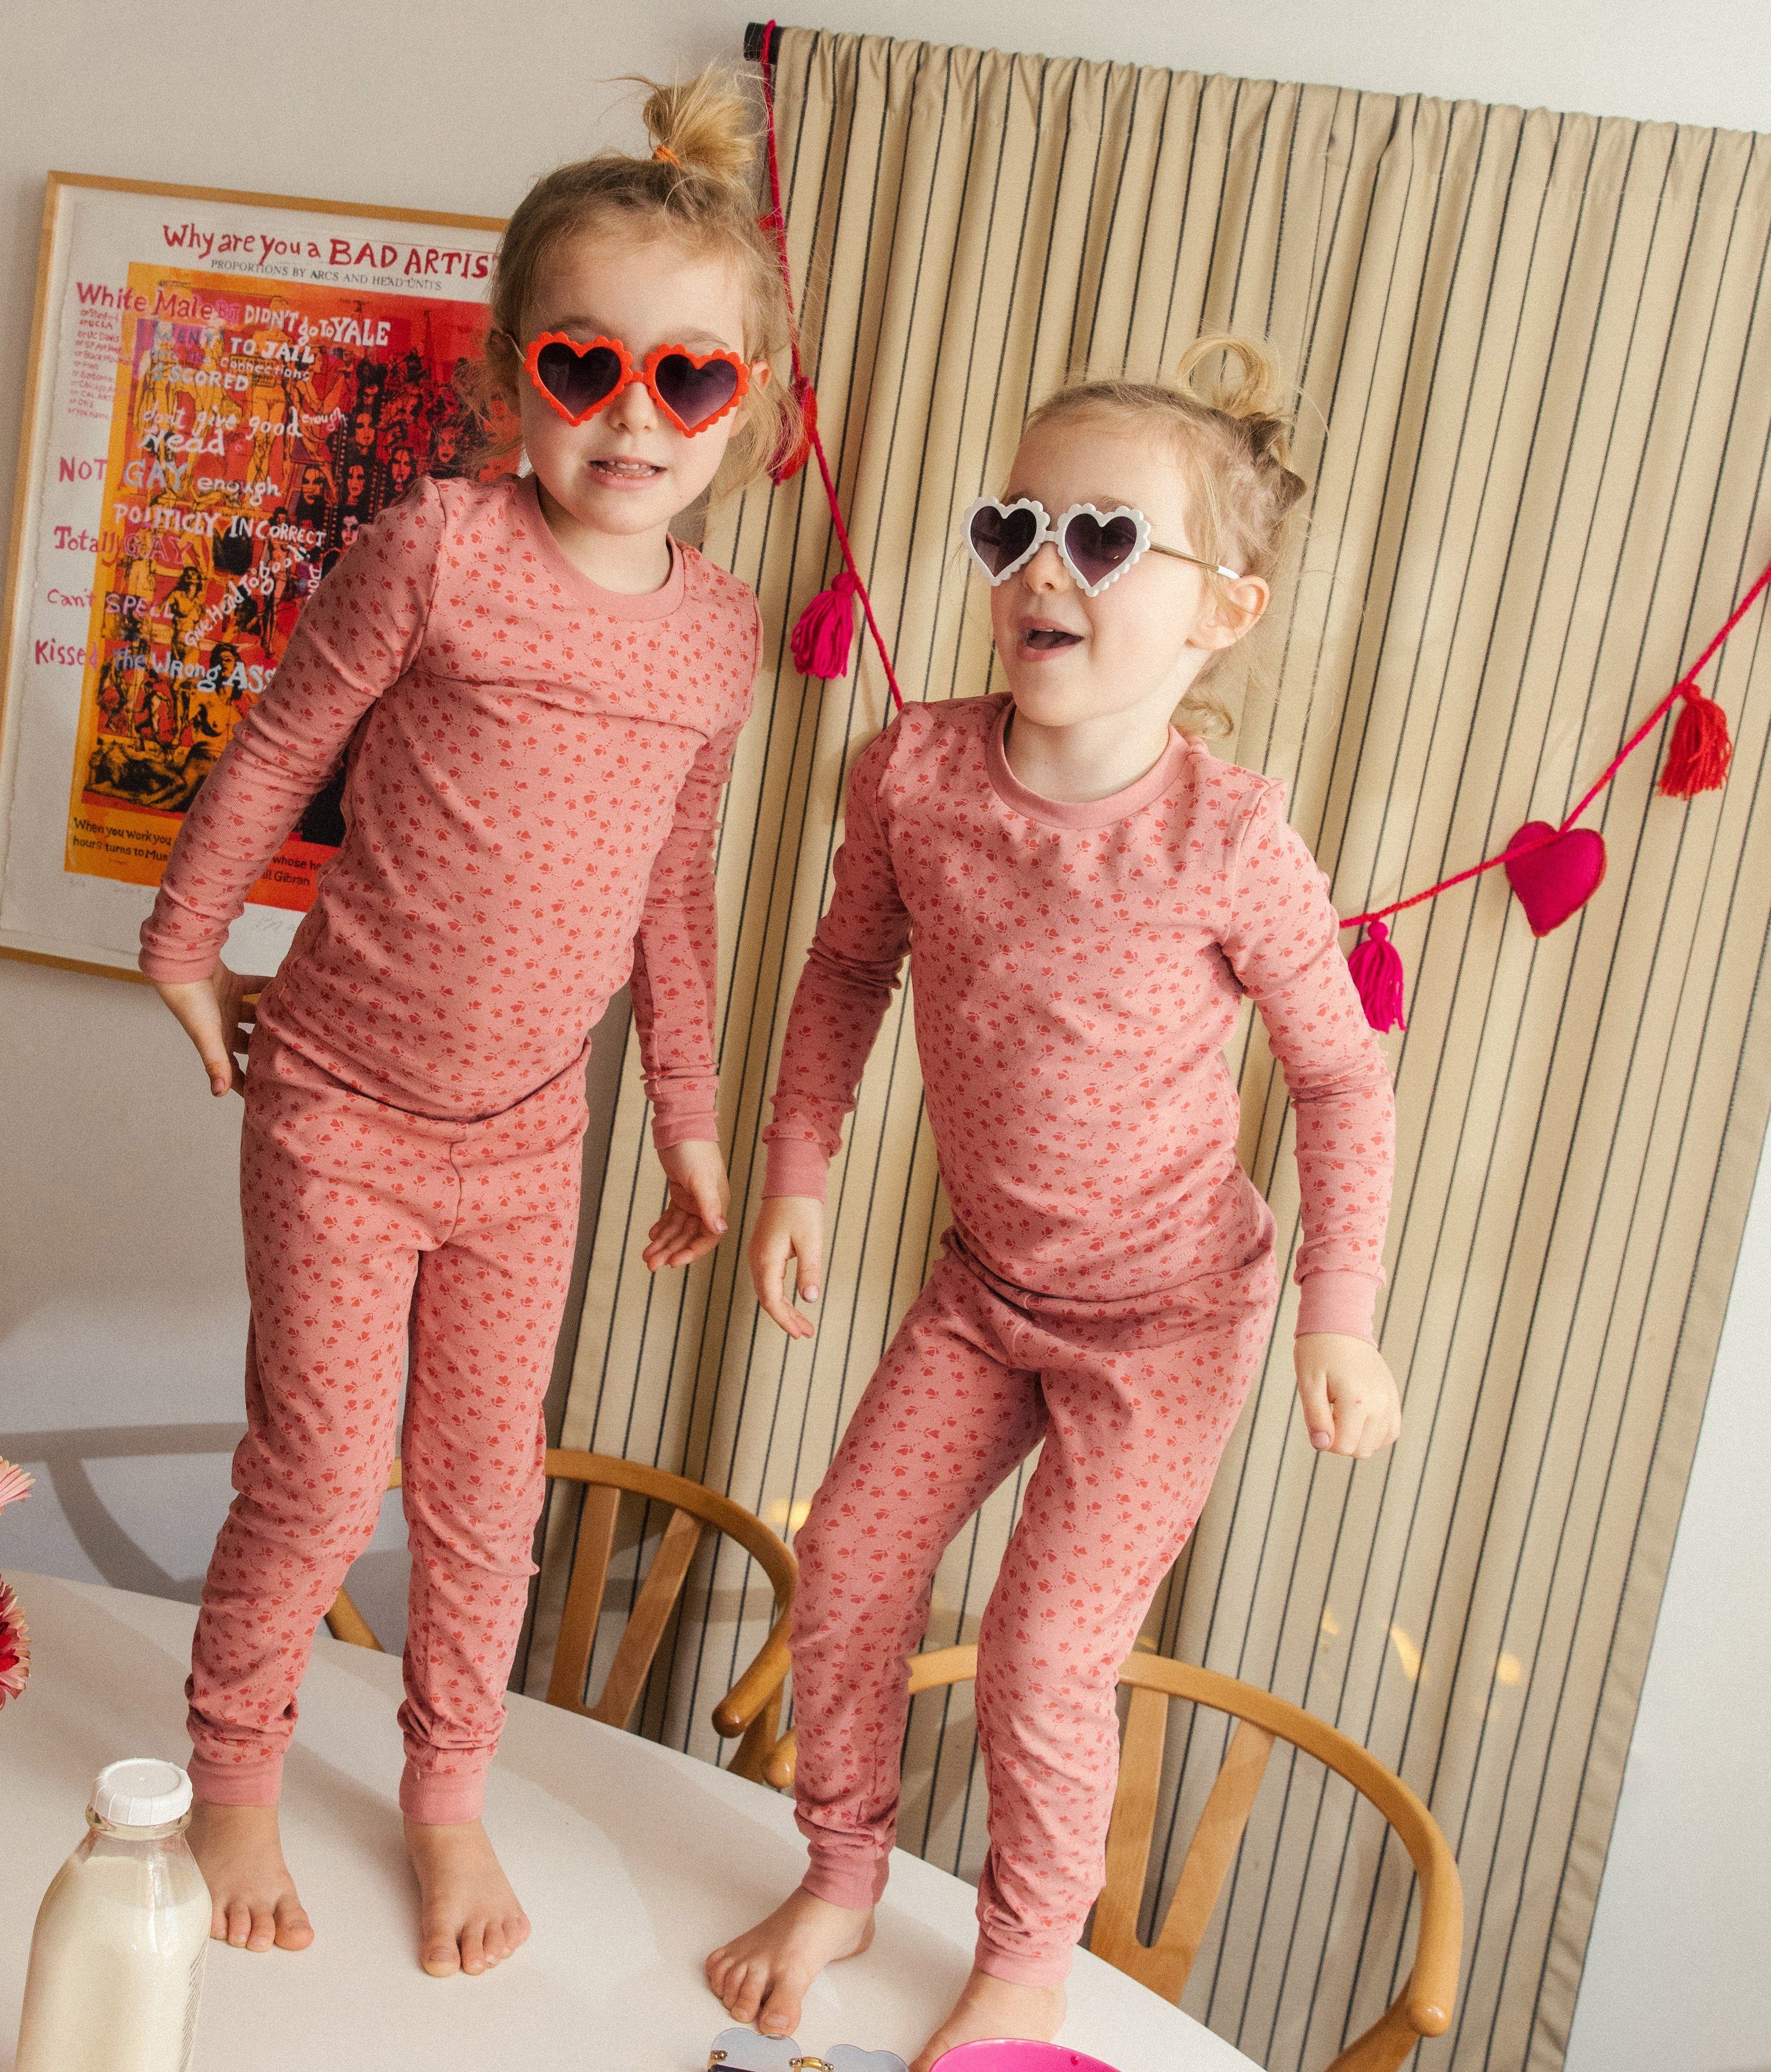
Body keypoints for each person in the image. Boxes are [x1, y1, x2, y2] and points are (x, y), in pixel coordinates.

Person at [138, 67, 798, 1982]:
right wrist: (183, 942)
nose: (632, 418)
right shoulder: (437, 547)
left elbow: (673, 891)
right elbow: (281, 746)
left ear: (739, 411)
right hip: (340, 1099)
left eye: (690, 379)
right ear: (515, 371)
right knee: (324, 1471)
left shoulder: (715, 632)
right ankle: (237, 1767)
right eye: (588, 366)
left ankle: (447, 1795)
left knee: (490, 1491)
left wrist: (686, 1112)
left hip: (530, 1136)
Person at [705, 337, 1401, 2071]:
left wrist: (1340, 1312)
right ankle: (843, 1866)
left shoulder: (1232, 840)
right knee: (847, 1560)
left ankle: (1021, 1960)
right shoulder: (915, 773)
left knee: (1036, 1650)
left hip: (1170, 1318)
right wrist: (800, 1164)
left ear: (1217, 612)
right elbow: (844, 966)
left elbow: (1340, 1080)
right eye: (1013, 522)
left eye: (1101, 540)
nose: (1037, 568)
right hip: (980, 1286)